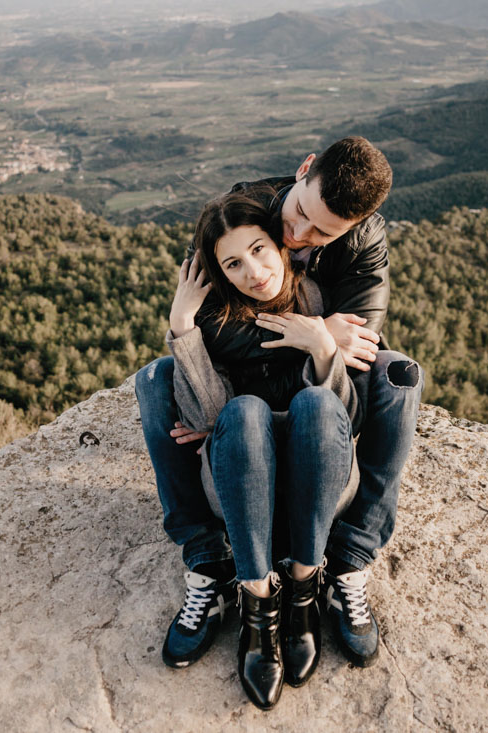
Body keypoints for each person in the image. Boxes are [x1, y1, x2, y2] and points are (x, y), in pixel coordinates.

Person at [135, 136, 422, 673]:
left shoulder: (361, 243)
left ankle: (348, 555)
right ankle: (208, 558)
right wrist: (189, 331)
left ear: (354, 227)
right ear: (303, 169)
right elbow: (214, 329)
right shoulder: (240, 220)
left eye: (320, 233)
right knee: (159, 378)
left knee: (398, 375)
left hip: (318, 428)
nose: (297, 236)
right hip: (246, 436)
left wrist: (318, 339)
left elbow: (353, 369)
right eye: (298, 215)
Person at [165, 189, 361, 709]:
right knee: (243, 411)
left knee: (318, 406)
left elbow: (344, 422)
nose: (253, 271)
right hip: (241, 485)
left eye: (259, 249)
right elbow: (208, 420)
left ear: (278, 244)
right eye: (233, 263)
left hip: (320, 485)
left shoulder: (315, 299)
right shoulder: (213, 323)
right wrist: (183, 327)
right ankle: (257, 603)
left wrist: (322, 346)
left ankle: (302, 592)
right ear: (220, 274)